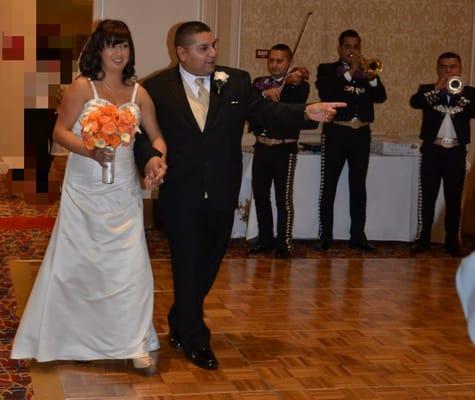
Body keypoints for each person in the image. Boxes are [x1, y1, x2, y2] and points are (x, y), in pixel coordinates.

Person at [134, 21, 345, 370]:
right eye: (203, 48)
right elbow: (143, 134)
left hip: (221, 187)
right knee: (187, 261)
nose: (213, 53)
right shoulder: (154, 88)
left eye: (213, 45)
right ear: (182, 53)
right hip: (180, 192)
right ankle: (195, 337)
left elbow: (267, 112)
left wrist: (307, 112)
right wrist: (151, 158)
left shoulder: (236, 80)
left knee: (210, 261)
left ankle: (179, 318)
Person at [11, 20, 167, 376]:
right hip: (84, 189)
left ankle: (135, 342)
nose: (118, 52)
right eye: (111, 45)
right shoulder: (83, 87)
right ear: (98, 49)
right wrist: (88, 150)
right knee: (78, 266)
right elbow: (59, 131)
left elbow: (157, 138)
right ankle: (72, 338)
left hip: (124, 194)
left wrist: (158, 160)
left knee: (130, 269)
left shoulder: (138, 93)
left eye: (124, 45)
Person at [314, 29, 386, 251]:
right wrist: (349, 73)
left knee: (358, 187)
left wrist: (372, 80)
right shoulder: (327, 70)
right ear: (339, 49)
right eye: (348, 47)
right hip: (336, 133)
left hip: (361, 134)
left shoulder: (367, 72)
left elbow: (381, 97)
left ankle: (358, 236)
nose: (352, 51)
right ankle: (326, 236)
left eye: (356, 47)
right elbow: (327, 93)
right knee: (329, 186)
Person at [248, 43, 311, 258]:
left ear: (289, 63)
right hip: (262, 147)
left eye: (279, 61)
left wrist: (289, 84)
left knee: (283, 199)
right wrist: (266, 93)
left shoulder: (299, 86)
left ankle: (284, 243)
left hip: (285, 149)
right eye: (271, 60)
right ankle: (265, 239)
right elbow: (251, 105)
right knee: (261, 195)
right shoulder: (259, 84)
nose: (274, 65)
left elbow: (290, 110)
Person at [410, 52, 475, 256]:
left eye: (453, 67)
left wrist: (458, 94)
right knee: (427, 197)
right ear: (438, 69)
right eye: (444, 67)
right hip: (432, 151)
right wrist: (437, 90)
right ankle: (424, 239)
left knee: (454, 199)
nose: (448, 71)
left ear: (460, 69)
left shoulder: (470, 93)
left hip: (455, 152)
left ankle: (452, 242)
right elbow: (415, 102)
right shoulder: (427, 90)